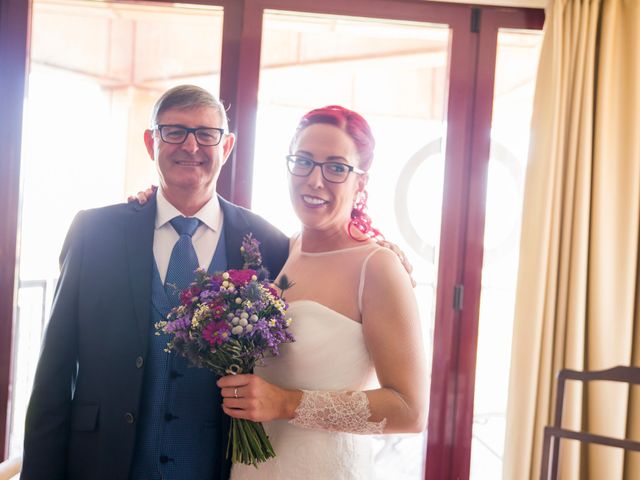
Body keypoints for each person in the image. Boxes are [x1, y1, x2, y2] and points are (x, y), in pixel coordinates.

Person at [21, 85, 290, 480]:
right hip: (102, 463)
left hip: (215, 466)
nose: (191, 146)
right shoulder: (95, 232)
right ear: (151, 142)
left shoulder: (269, 242)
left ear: (227, 145)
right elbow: (54, 371)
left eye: (206, 134)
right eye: (174, 131)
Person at [217, 105, 428, 479]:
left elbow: (410, 411)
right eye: (304, 161)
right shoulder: (282, 250)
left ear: (360, 182)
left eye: (336, 167)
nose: (315, 181)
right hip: (256, 468)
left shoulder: (377, 267)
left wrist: (285, 404)